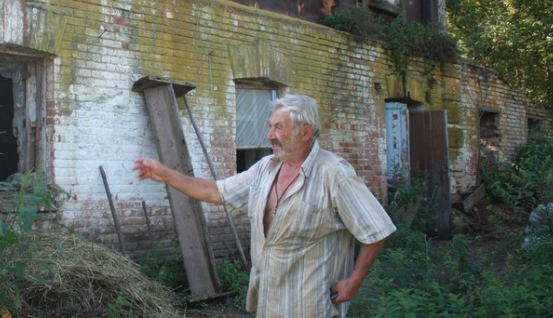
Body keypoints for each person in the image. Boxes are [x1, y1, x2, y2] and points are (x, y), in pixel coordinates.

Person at [132, 94, 395, 317]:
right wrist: (165, 174)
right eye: (271, 126)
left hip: (311, 305)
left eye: (279, 127)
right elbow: (216, 191)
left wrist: (355, 281)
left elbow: (376, 229)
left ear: (305, 132)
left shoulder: (334, 174)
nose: (270, 135)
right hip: (268, 303)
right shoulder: (265, 169)